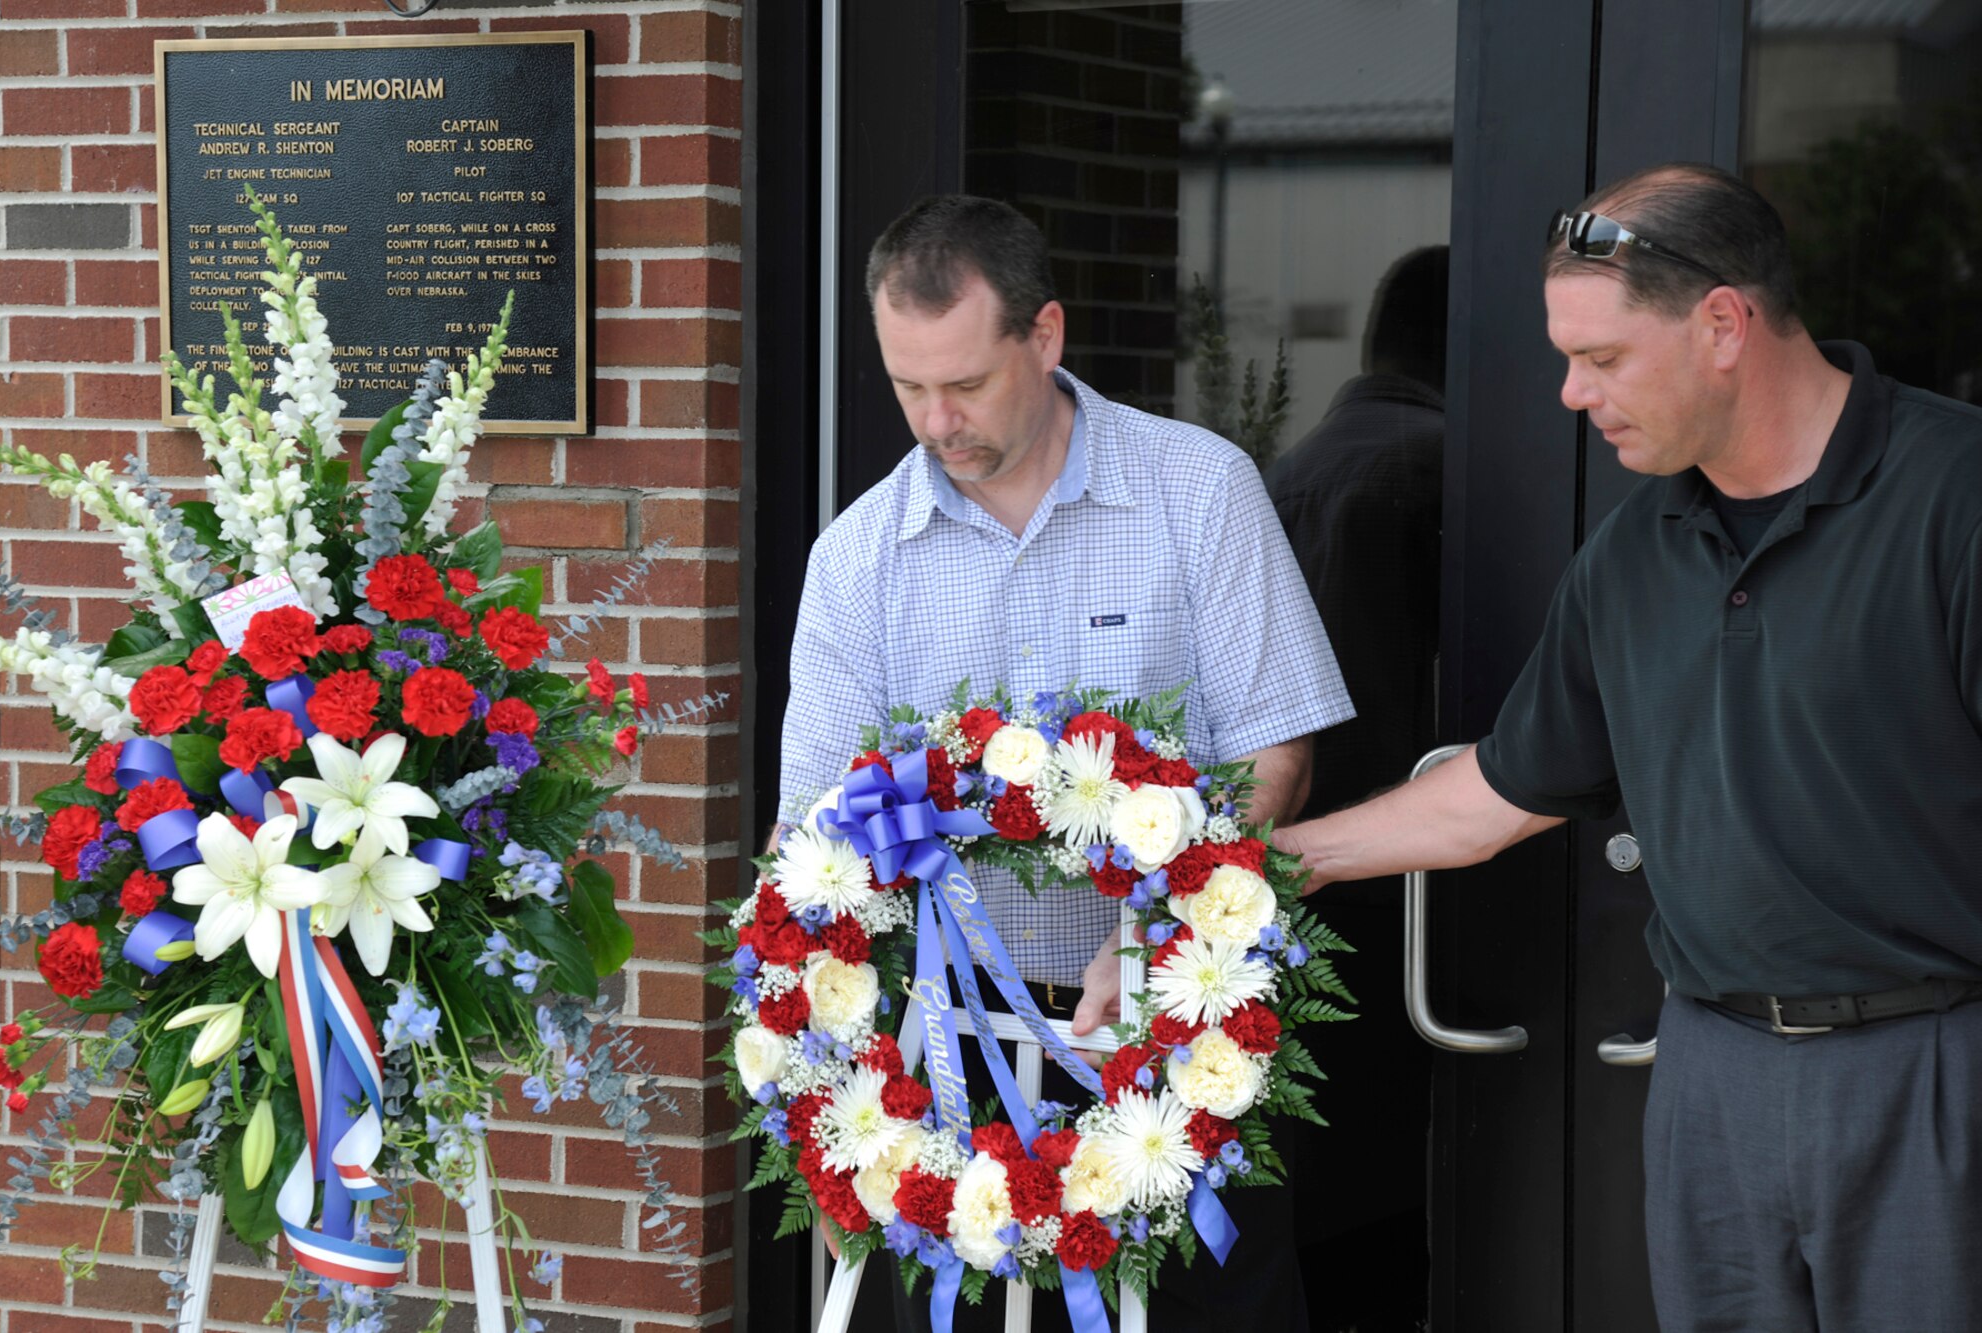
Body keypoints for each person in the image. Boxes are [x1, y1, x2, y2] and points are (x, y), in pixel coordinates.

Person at [1272, 161, 1982, 1332]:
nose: (1567, 393)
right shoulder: (1633, 548)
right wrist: (1248, 864)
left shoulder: (1953, 498)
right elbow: (1497, 791)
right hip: (1708, 1075)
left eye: (1598, 358)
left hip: (1929, 1074)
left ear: (1719, 325)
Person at [778, 193, 1354, 1330]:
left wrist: (1157, 933)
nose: (936, 420)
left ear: (1041, 336)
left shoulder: (1199, 491)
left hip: (1175, 1034)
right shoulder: (855, 559)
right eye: (907, 387)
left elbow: (1271, 749)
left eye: (965, 383)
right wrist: (827, 1074)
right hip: (950, 1066)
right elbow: (812, 836)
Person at [1262, 244, 1449, 1330]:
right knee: (1393, 1203)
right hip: (1411, 881)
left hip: (1310, 875)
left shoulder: (1287, 466)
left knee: (1323, 1196)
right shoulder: (1438, 463)